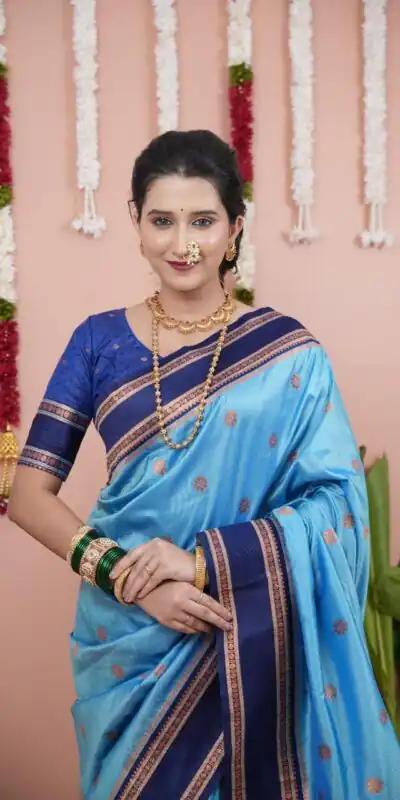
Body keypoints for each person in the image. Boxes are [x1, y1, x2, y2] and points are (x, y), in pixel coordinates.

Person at [9, 130, 399, 800]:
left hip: (246, 622)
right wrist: (131, 582)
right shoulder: (97, 342)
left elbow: (337, 504)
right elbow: (27, 494)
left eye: (202, 221)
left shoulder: (290, 352)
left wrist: (202, 564)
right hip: (128, 637)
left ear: (235, 228)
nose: (183, 243)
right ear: (135, 221)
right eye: (162, 220)